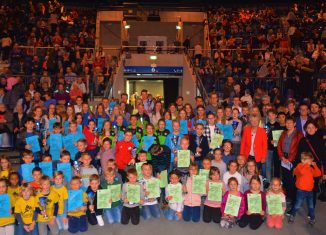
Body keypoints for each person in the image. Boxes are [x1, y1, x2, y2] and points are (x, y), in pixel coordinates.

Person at [296, 120, 325, 206]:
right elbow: (298, 155)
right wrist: (297, 167)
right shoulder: (303, 140)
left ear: (316, 129)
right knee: (303, 186)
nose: (310, 129)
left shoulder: (321, 141)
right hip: (304, 169)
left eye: (312, 127)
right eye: (308, 127)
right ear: (306, 129)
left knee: (313, 188)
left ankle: (311, 208)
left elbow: (324, 157)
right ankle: (298, 204)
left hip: (315, 168)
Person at [288, 152, 321, 226]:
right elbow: (301, 172)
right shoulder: (300, 166)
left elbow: (318, 174)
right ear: (303, 160)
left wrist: (315, 166)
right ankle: (292, 215)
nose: (311, 162)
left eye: (311, 161)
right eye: (309, 161)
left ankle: (312, 219)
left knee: (311, 207)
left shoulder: (310, 168)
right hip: (301, 191)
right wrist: (306, 165)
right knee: (297, 205)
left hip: (310, 191)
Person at [277, 116, 303, 207]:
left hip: (293, 160)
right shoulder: (283, 133)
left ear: (294, 124)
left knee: (292, 180)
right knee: (285, 178)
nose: (288, 124)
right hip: (284, 158)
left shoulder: (299, 134)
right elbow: (279, 145)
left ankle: (294, 199)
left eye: (290, 123)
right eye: (287, 123)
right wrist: (282, 156)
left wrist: (290, 159)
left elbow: (298, 149)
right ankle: (288, 196)